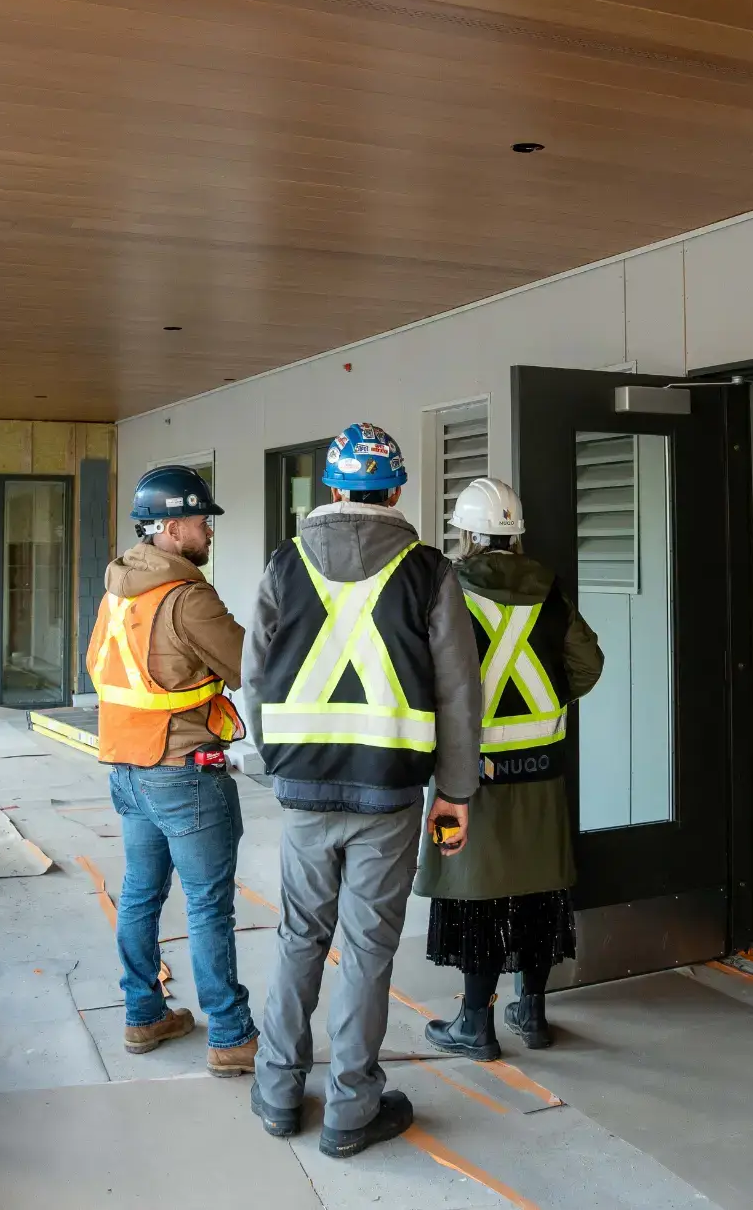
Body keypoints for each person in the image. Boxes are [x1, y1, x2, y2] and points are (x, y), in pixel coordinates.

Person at [242, 422, 482, 1158]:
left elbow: (253, 679)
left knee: (298, 938)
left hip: (305, 792)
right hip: (389, 798)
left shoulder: (284, 564)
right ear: (397, 490)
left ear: (334, 488)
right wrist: (457, 790)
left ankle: (280, 1090)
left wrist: (271, 762)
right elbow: (458, 692)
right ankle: (352, 1106)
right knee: (368, 949)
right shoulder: (430, 571)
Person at [418, 477, 603, 1059]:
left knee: (474, 896)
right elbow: (588, 666)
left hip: (470, 780)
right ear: (516, 535)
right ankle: (535, 1014)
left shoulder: (450, 589)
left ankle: (475, 1024)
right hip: (543, 774)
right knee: (537, 890)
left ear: (467, 534)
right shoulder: (550, 591)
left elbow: (430, 676)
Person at [87, 465, 258, 1074]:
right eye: (200, 519)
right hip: (183, 771)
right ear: (168, 526)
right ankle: (231, 1035)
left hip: (127, 768)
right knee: (209, 905)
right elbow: (248, 663)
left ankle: (143, 1015)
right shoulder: (187, 596)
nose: (209, 528)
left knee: (140, 895)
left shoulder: (119, 590)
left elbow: (97, 665)